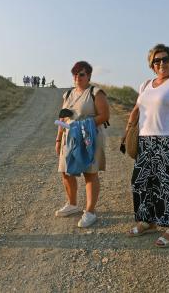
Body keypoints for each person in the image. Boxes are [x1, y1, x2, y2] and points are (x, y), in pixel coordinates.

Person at [123, 44, 169, 247]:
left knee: (168, 184)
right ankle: (147, 220)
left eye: (165, 59)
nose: (161, 63)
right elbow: (137, 108)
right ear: (151, 65)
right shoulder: (145, 84)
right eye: (157, 60)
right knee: (140, 182)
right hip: (145, 140)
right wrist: (128, 129)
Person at [55, 61, 110, 228]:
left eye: (82, 74)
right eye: (75, 74)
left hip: (89, 138)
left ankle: (90, 211)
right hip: (69, 138)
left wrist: (82, 125)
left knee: (90, 173)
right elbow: (63, 117)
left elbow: (105, 115)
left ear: (89, 76)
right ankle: (72, 204)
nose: (77, 77)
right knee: (65, 171)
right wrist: (58, 139)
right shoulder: (68, 94)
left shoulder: (95, 92)